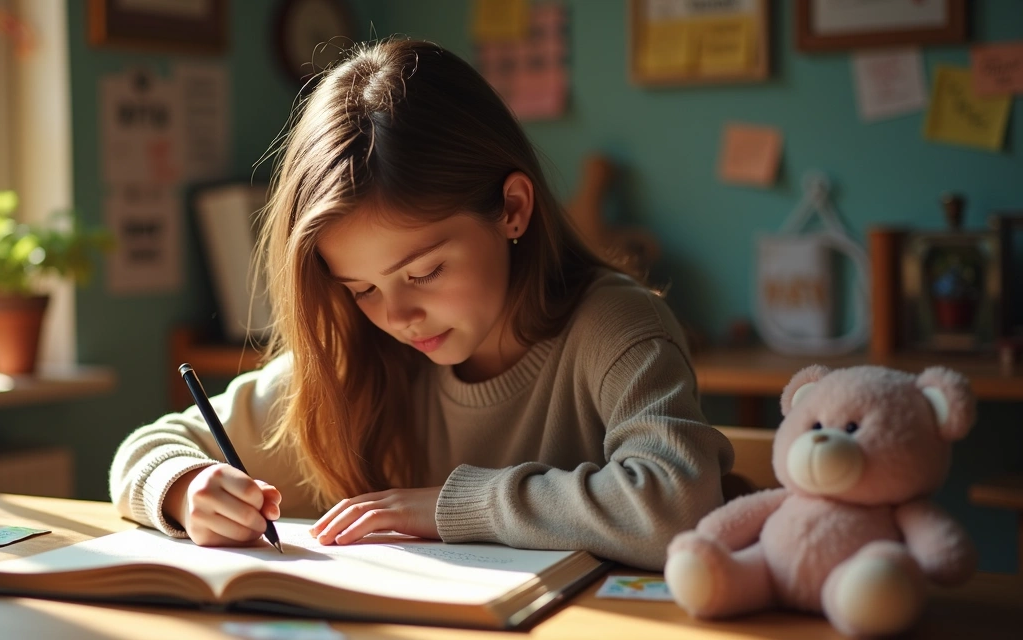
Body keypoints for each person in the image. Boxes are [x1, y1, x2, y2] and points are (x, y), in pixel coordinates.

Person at [110, 38, 733, 569]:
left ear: (511, 209)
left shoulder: (614, 326)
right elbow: (146, 447)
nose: (397, 316)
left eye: (426, 271)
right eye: (361, 290)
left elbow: (676, 502)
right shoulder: (364, 353)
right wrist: (185, 486)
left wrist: (448, 508)